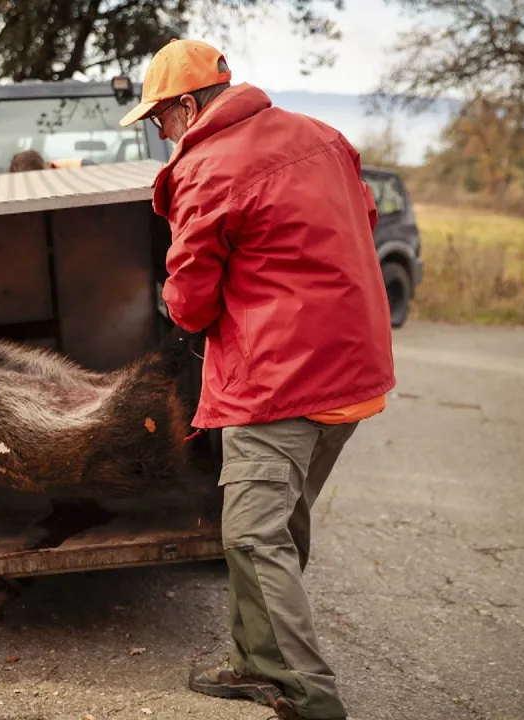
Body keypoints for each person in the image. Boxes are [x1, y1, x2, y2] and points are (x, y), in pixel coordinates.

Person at [120, 40, 395, 720]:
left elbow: (191, 301)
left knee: (251, 536)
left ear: (188, 106)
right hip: (353, 372)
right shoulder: (321, 136)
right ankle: (256, 661)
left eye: (159, 118)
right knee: (278, 522)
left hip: (279, 381)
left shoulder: (207, 166)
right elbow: (359, 221)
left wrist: (172, 306)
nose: (162, 133)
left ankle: (307, 695)